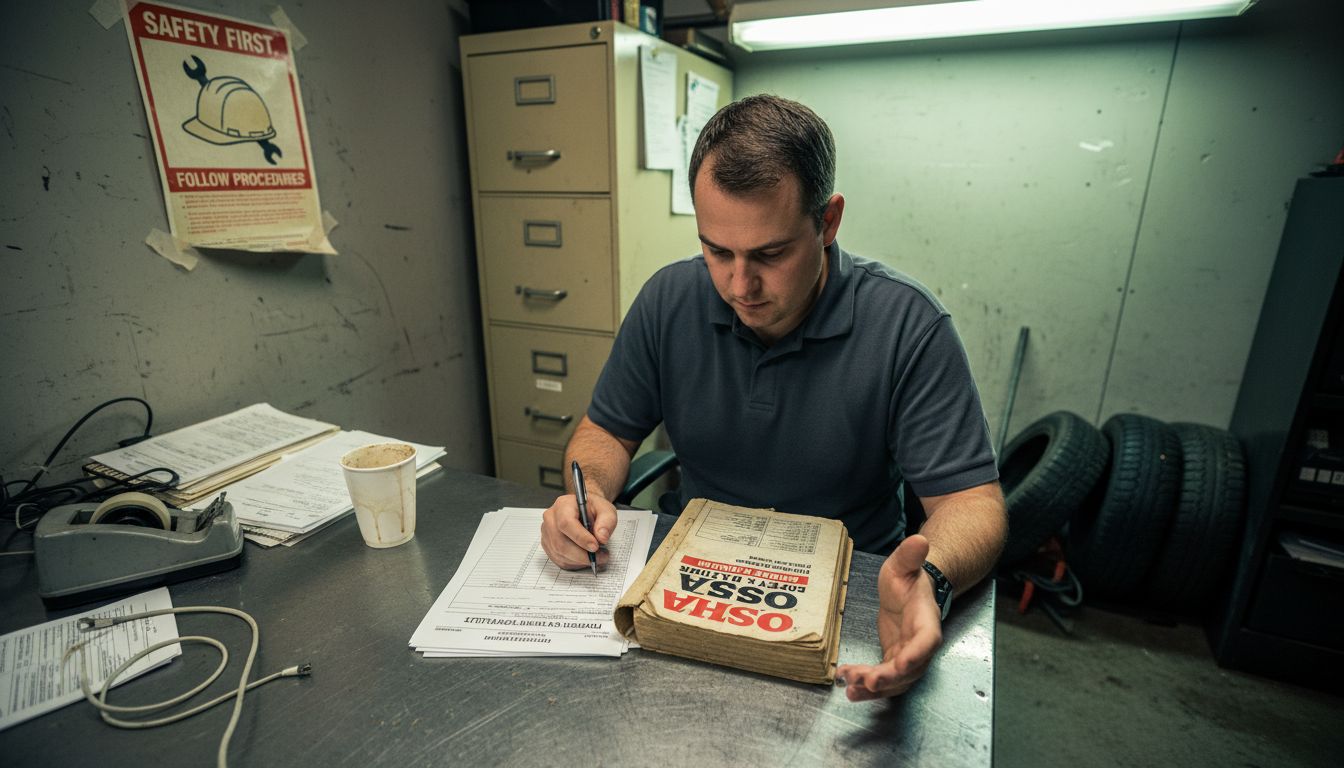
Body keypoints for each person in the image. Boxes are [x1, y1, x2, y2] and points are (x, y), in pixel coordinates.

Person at [539, 94, 1007, 701]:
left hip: (852, 595)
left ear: (828, 222)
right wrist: (589, 493)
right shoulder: (668, 300)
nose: (739, 285)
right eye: (717, 250)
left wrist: (930, 580)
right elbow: (604, 433)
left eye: (770, 254)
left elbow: (973, 502)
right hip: (689, 582)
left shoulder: (907, 326)